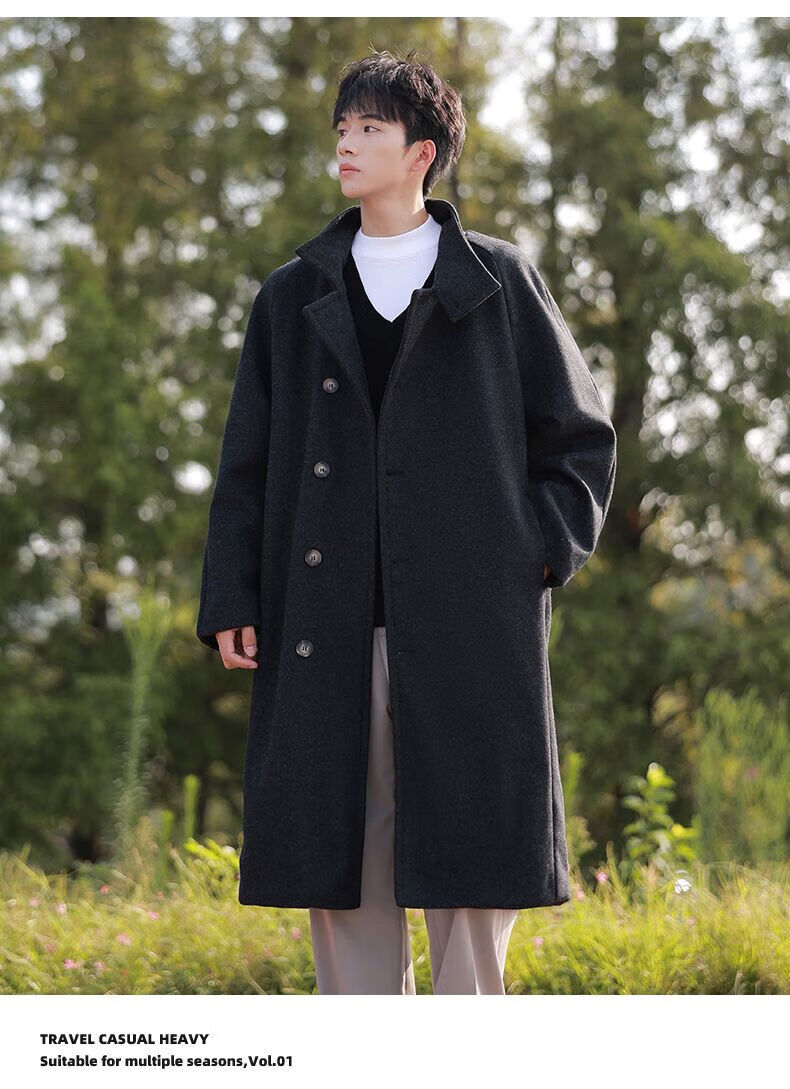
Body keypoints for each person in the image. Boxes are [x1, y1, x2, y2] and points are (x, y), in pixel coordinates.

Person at [196, 50, 617, 995]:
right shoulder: (291, 294)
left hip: (472, 624)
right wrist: (232, 595)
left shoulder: (498, 281)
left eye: (370, 129)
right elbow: (245, 464)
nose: (346, 144)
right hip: (324, 624)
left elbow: (581, 439)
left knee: (471, 859)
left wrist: (532, 555)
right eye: (343, 128)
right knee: (343, 864)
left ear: (421, 152)